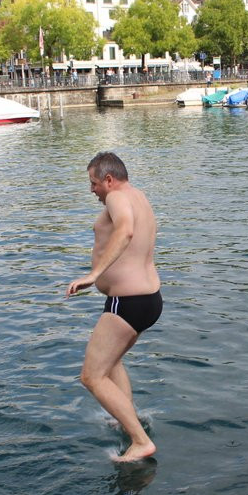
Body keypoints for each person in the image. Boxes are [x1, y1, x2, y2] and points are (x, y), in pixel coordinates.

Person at [66, 152, 162, 462]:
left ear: (109, 180)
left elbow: (125, 231)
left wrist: (94, 275)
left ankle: (140, 440)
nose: (92, 190)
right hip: (147, 299)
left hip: (129, 301)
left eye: (93, 183)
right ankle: (126, 418)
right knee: (111, 362)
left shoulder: (117, 198)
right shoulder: (139, 196)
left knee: (91, 377)